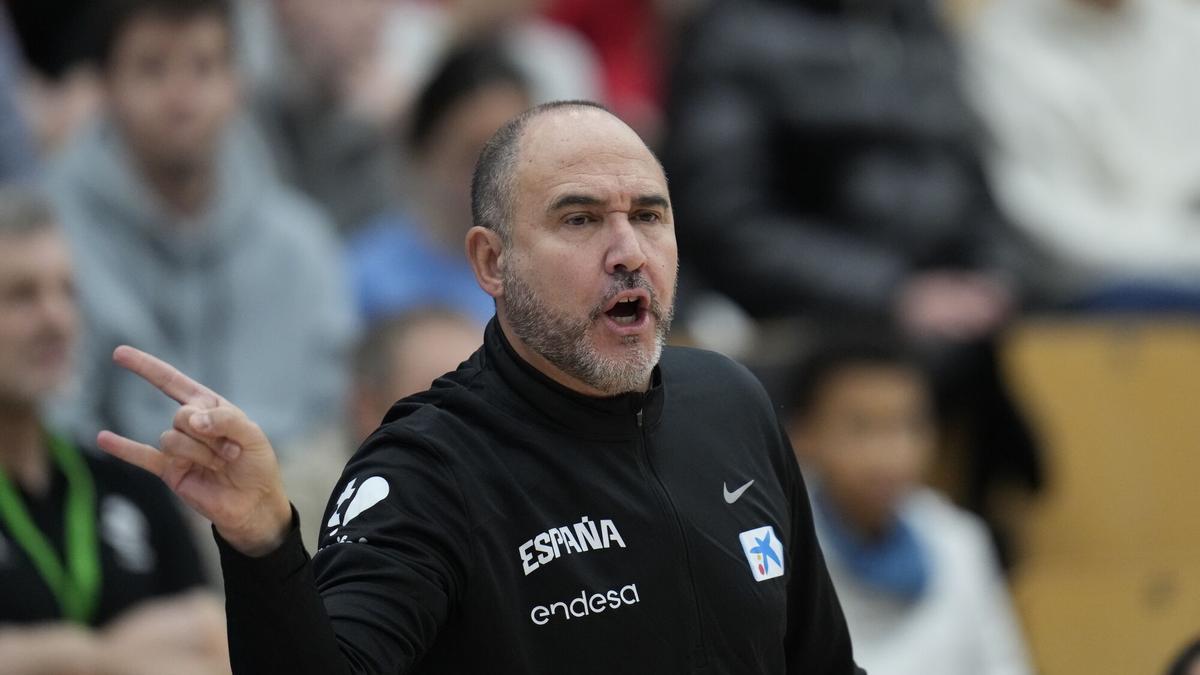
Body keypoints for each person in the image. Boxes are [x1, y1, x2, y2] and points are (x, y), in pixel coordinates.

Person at [96, 101, 865, 674]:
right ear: (492, 262)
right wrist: (264, 544)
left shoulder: (730, 401)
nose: (628, 250)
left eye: (648, 215)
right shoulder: (424, 471)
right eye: (580, 219)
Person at [46, 0, 356, 454]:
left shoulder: (304, 246)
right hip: (109, 487)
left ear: (238, 85)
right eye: (152, 69)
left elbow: (330, 423)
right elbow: (52, 421)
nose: (181, 97)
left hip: (283, 489)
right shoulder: (50, 244)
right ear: (105, 88)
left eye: (203, 67)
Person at [0, 185, 228, 674]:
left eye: (67, 292)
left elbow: (216, 643)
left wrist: (57, 659)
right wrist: (112, 657)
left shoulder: (129, 480)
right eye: (21, 295)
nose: (56, 318)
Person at [784, 334, 1031, 675]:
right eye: (861, 428)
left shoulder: (959, 539)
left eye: (910, 425)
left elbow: (1003, 666)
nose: (890, 453)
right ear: (803, 434)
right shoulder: (778, 548)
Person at [965, 0, 1200, 307]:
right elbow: (1040, 217)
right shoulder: (1003, 41)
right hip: (1082, 279)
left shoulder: (1184, 28)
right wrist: (1181, 247)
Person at [348, 41, 531, 326]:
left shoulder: (555, 268)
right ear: (422, 152)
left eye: (512, 154)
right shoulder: (363, 277)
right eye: (472, 154)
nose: (497, 175)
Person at [284, 308, 482, 551]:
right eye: (442, 396)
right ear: (367, 405)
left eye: (481, 393)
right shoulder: (293, 506)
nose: (472, 415)